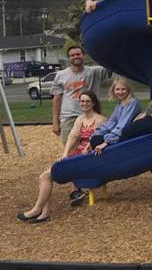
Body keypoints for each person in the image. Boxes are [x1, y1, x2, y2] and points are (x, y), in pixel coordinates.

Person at [17, 91, 106, 223]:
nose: (84, 104)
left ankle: (38, 210)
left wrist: (85, 150)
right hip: (76, 155)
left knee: (46, 176)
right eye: (82, 101)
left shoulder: (100, 119)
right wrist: (65, 154)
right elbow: (72, 137)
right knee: (45, 176)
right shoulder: (80, 119)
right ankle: (43, 213)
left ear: (93, 103)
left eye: (87, 101)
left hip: (89, 158)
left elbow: (97, 139)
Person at [51, 46, 110, 146]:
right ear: (69, 58)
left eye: (78, 54)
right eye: (72, 55)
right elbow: (57, 98)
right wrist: (55, 121)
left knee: (92, 146)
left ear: (83, 55)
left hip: (90, 115)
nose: (76, 57)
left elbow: (111, 67)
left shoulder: (94, 72)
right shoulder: (61, 75)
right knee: (69, 147)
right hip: (69, 117)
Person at [89, 77, 142, 155]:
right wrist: (95, 134)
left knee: (97, 141)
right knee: (95, 139)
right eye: (117, 89)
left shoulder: (132, 102)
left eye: (123, 89)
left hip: (128, 136)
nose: (120, 92)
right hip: (119, 134)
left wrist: (106, 142)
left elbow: (123, 125)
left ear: (128, 90)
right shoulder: (119, 105)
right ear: (113, 90)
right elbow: (110, 124)